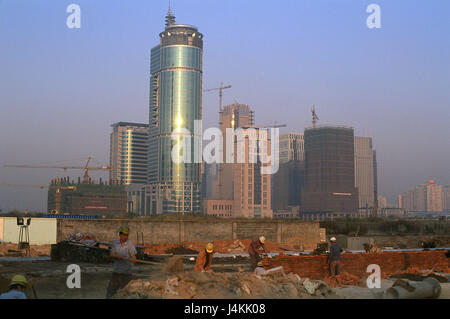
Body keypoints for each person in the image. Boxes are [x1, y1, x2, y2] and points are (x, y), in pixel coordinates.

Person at [105, 225, 137, 299]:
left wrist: (133, 259)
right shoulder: (115, 243)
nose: (125, 237)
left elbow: (134, 257)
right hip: (117, 272)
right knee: (110, 292)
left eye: (127, 235)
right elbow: (111, 254)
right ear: (120, 234)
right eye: (124, 235)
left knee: (126, 293)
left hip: (127, 274)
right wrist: (115, 256)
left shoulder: (130, 244)